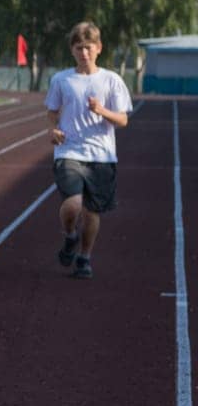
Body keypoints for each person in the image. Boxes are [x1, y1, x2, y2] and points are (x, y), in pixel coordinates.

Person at [45, 21, 132, 280]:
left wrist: (102, 111)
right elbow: (52, 112)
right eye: (79, 47)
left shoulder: (111, 80)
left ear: (99, 48)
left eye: (88, 47)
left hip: (102, 156)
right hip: (69, 151)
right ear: (72, 50)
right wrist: (54, 129)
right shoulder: (61, 79)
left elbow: (123, 120)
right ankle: (70, 235)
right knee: (72, 205)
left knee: (92, 211)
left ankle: (84, 257)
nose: (84, 53)